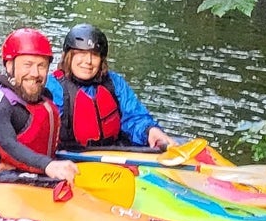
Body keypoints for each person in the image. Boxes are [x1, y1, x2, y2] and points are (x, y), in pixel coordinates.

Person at [0, 31, 79, 182]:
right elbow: (8, 146)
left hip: (36, 178)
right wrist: (48, 165)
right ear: (10, 66)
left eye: (42, 66)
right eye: (28, 65)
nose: (35, 73)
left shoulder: (44, 97)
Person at [48, 23, 173, 151]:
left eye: (94, 55)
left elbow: (134, 117)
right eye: (81, 53)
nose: (88, 61)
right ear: (69, 56)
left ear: (101, 59)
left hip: (113, 154)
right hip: (70, 159)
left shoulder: (114, 83)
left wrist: (150, 131)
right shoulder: (53, 88)